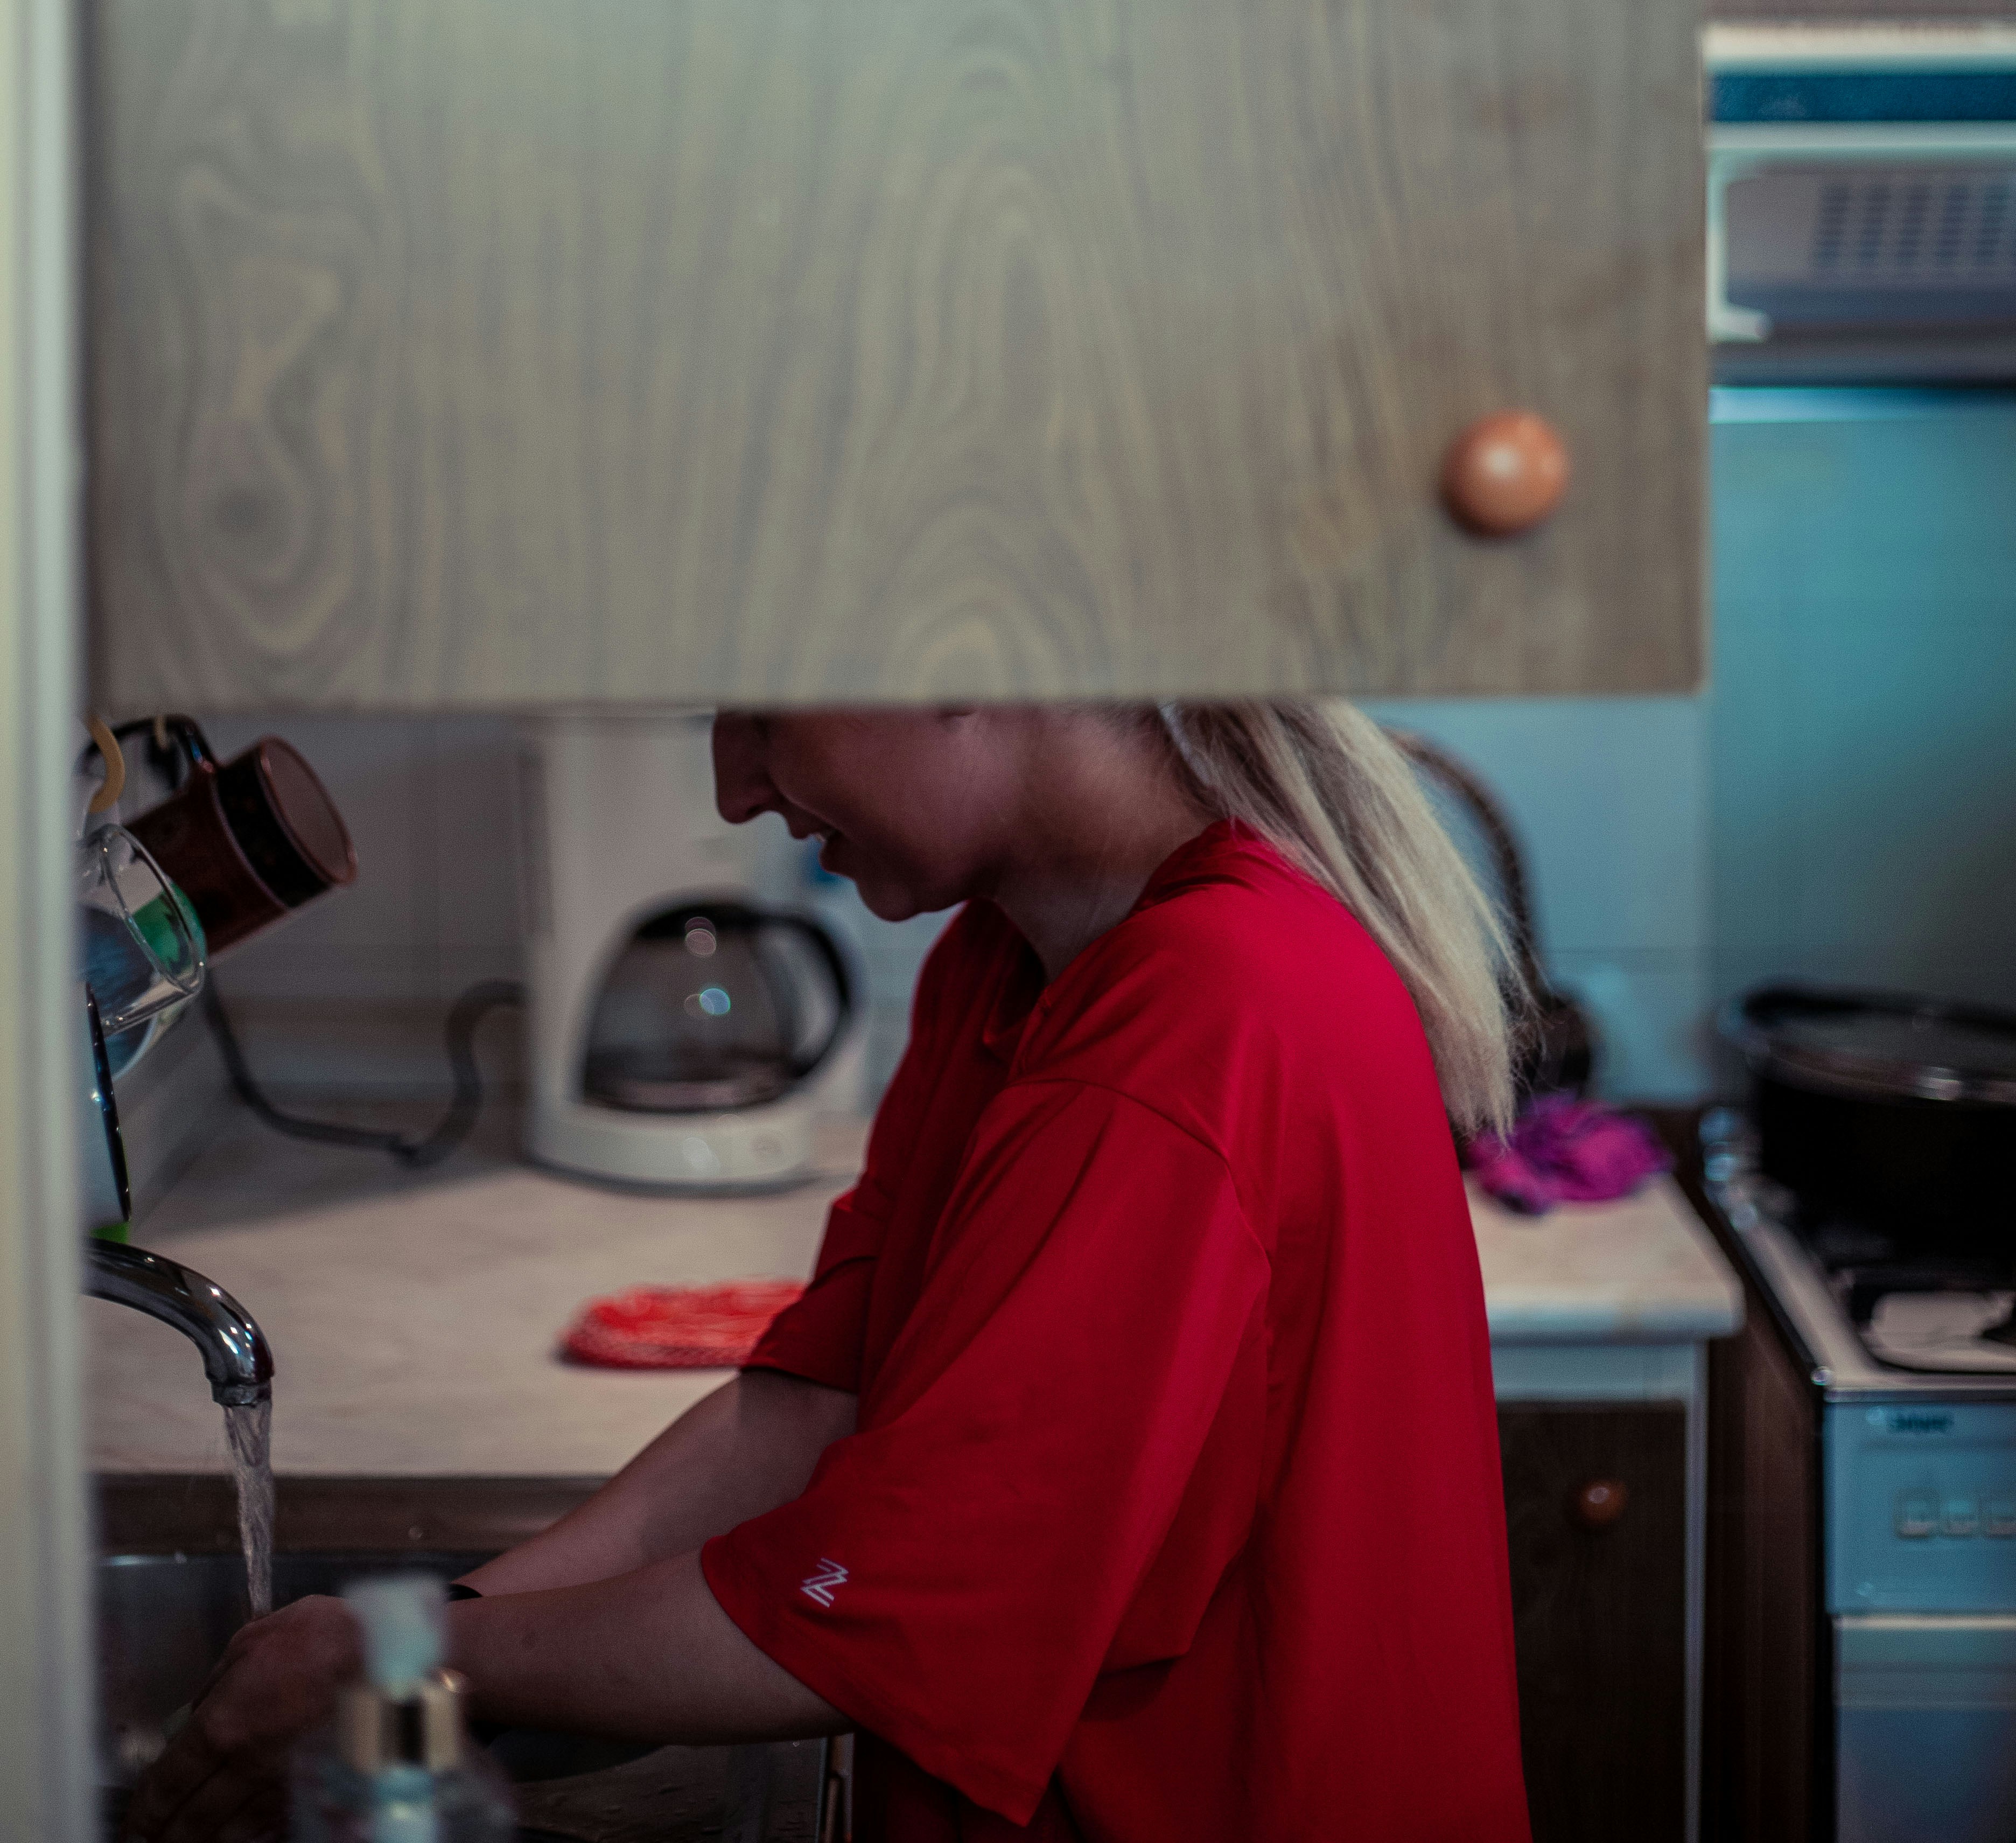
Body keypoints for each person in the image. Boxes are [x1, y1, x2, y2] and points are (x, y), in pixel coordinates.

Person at [127, 700, 1532, 1842]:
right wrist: (435, 1646)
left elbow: (862, 1624)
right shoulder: (1014, 958)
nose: (735, 790)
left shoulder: (1197, 1024)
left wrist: (390, 1672)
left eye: (761, 715)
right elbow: (818, 1408)